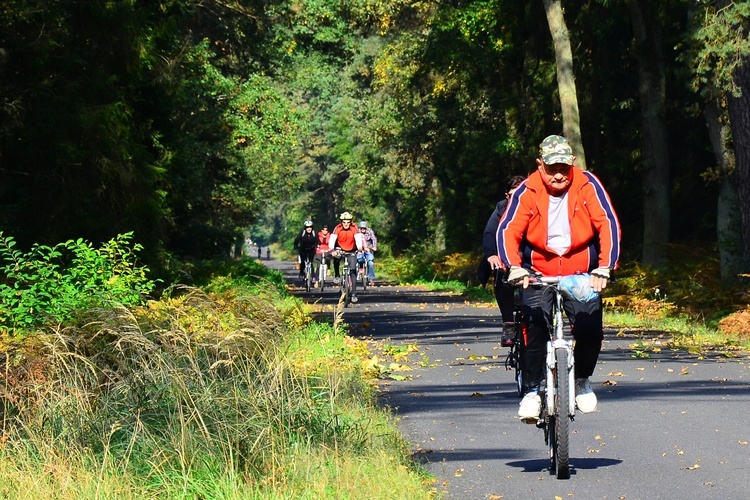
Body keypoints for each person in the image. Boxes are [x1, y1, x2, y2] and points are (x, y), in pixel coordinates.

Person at [496, 135, 621, 423]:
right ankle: (532, 391)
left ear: (572, 163)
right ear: (540, 165)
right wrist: (513, 267)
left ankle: (581, 381)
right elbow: (508, 231)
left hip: (580, 273)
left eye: (564, 167)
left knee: (590, 327)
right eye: (552, 168)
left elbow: (607, 224)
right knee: (534, 324)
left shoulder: (588, 184)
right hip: (538, 271)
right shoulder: (526, 190)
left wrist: (605, 267)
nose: (558, 175)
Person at [478, 175, 526, 345]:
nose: (517, 198)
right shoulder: (501, 209)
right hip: (506, 255)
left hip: (530, 255)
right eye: (512, 194)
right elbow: (490, 232)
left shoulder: (537, 206)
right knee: (501, 272)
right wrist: (491, 254)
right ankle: (509, 324)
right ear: (507, 195)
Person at [329, 212, 365, 303]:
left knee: (353, 270)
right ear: (341, 222)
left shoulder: (354, 228)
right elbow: (332, 240)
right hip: (340, 248)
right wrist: (332, 250)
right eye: (344, 222)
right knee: (336, 258)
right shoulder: (337, 228)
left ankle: (353, 294)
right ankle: (337, 275)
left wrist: (360, 248)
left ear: (350, 222)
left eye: (348, 222)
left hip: (352, 250)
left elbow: (358, 239)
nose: (346, 224)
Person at [357, 221, 378, 286]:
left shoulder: (369, 231)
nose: (363, 230)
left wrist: (374, 246)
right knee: (359, 260)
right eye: (361, 228)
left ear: (366, 228)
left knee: (370, 263)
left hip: (368, 248)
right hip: (360, 249)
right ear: (360, 228)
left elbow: (374, 239)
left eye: (364, 228)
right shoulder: (357, 232)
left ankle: (371, 278)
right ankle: (359, 270)